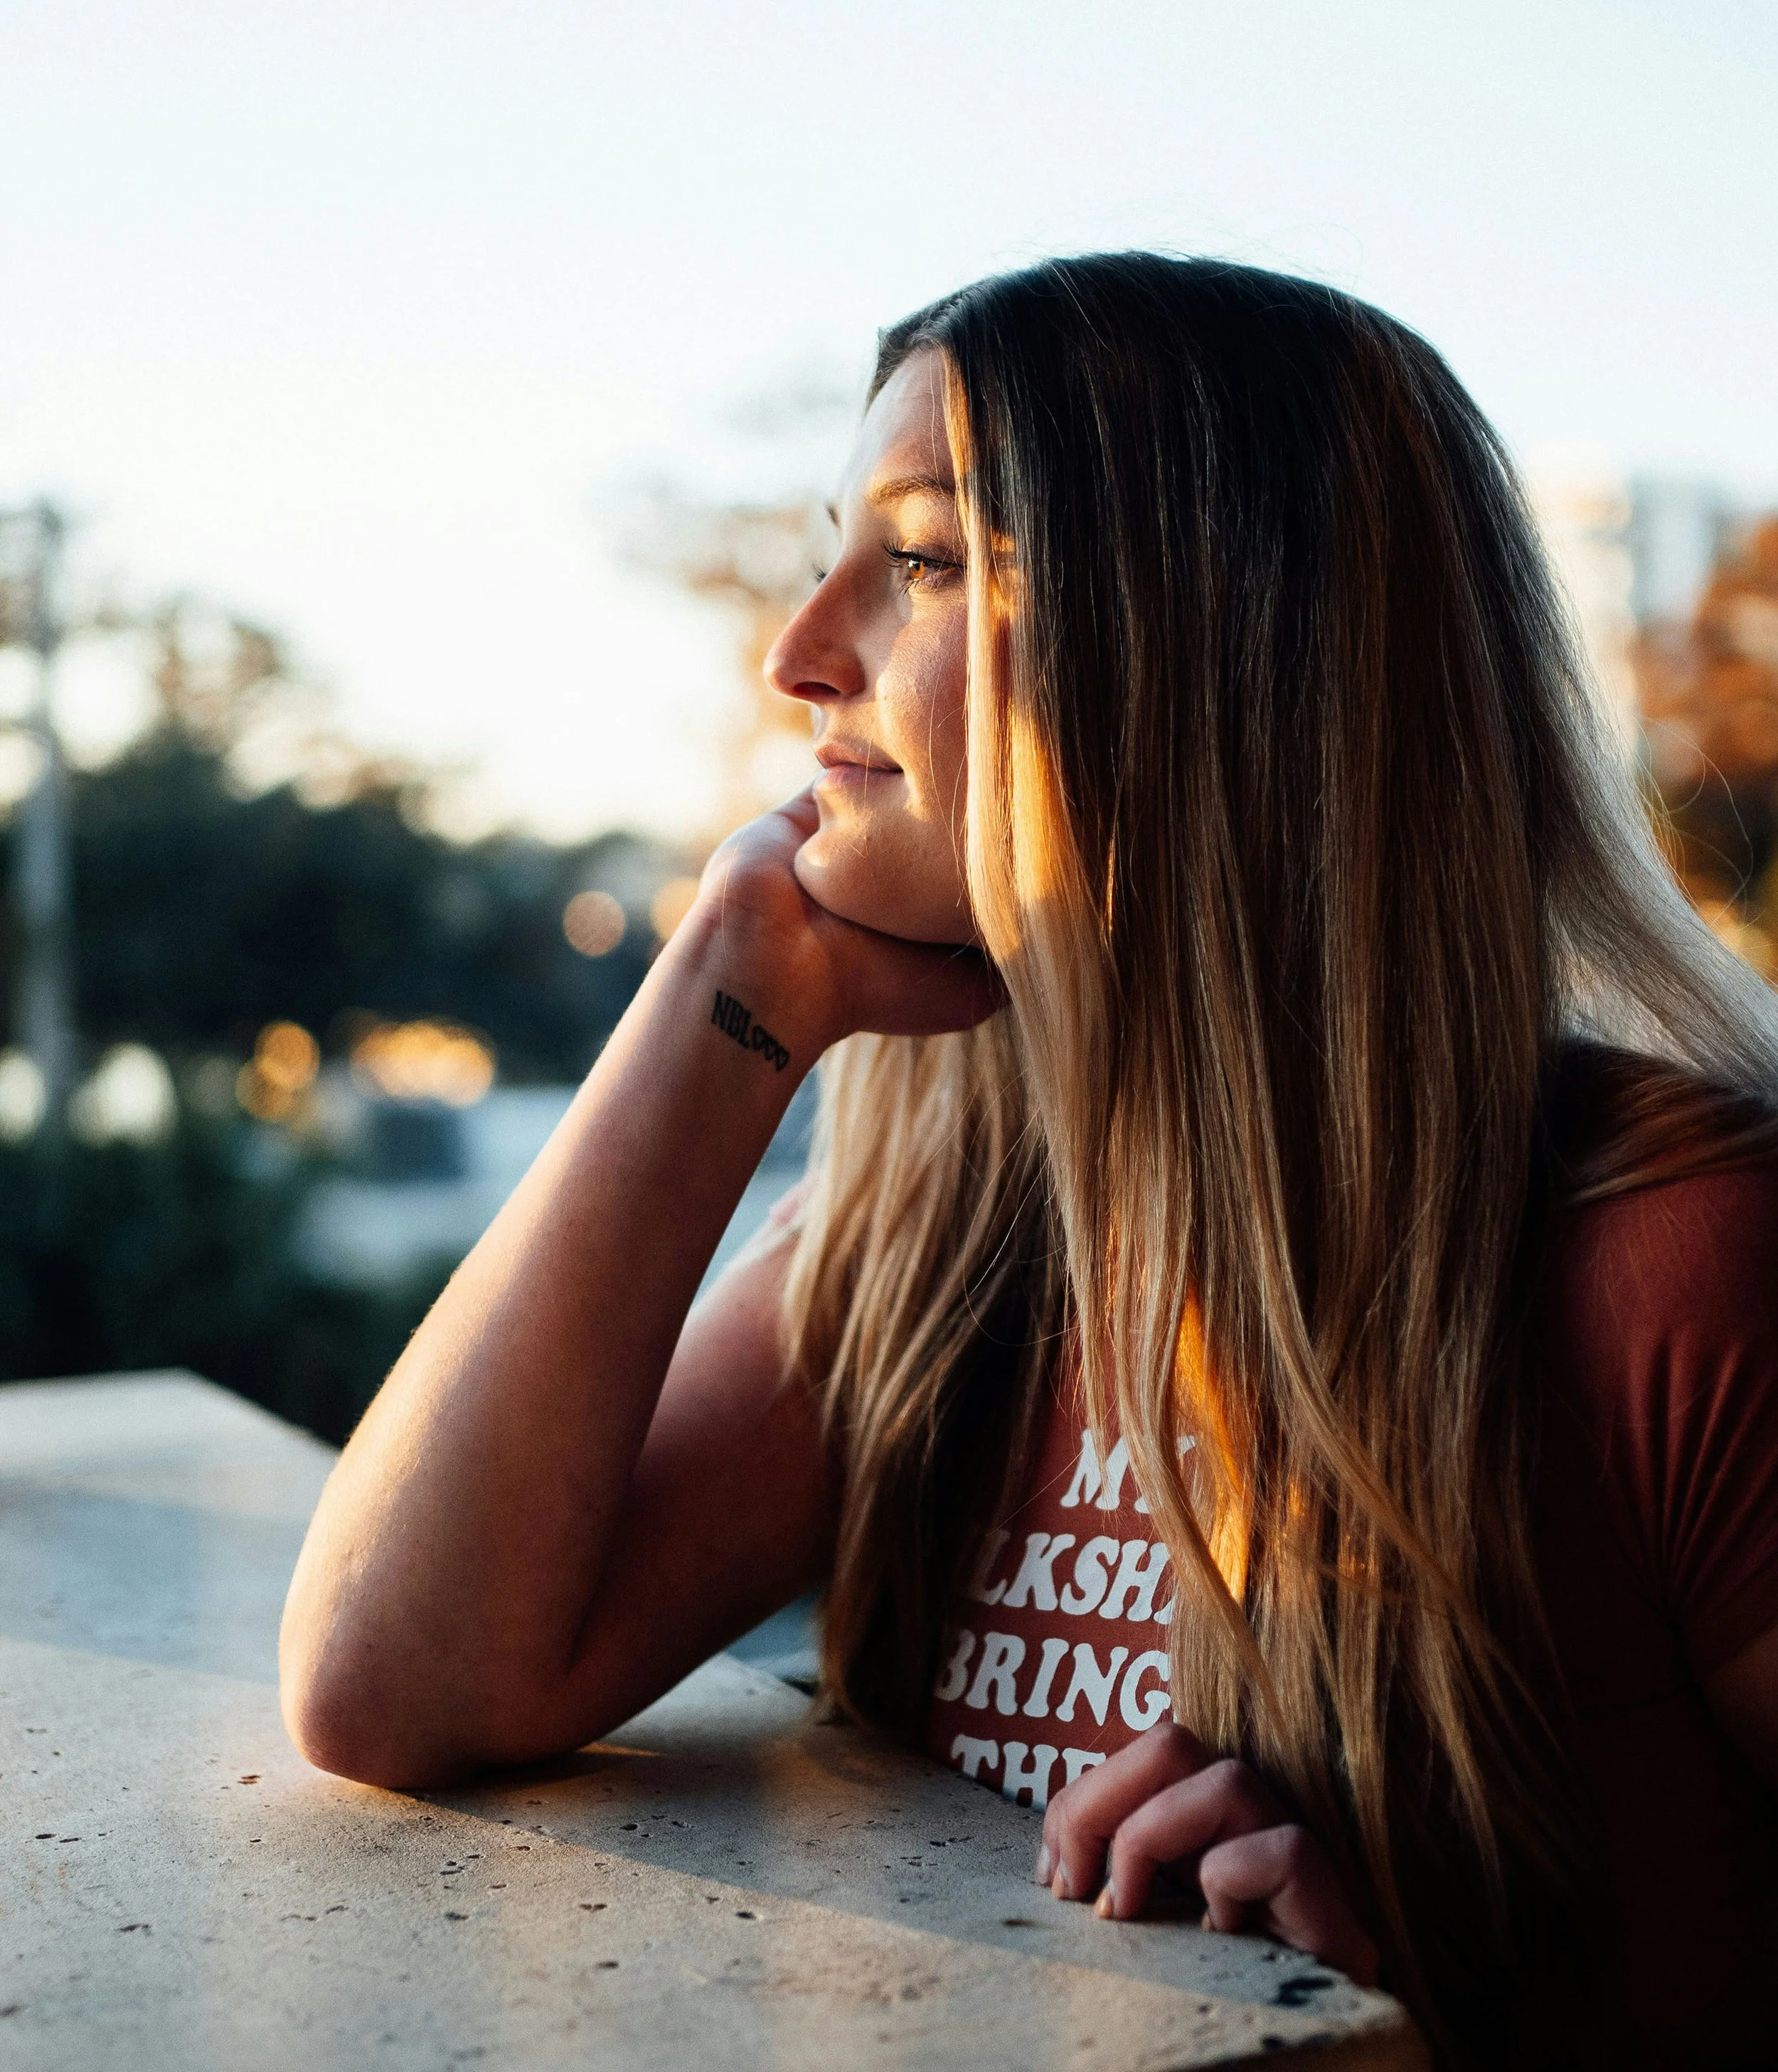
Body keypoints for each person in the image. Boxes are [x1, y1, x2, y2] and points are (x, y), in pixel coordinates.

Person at [280, 255, 1778, 2070]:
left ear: (1218, 651)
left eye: (919, 560)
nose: (797, 650)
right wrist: (719, 985)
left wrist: (1419, 2013)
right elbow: (393, 1680)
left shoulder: (1679, 1269)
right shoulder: (947, 1247)